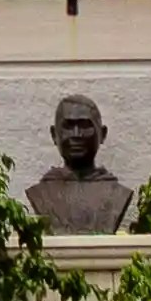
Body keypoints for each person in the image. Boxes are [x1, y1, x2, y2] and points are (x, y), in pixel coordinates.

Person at [27, 93, 134, 236]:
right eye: (68, 126)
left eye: (85, 126)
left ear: (102, 134)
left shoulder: (117, 193)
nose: (76, 134)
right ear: (54, 134)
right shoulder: (41, 193)